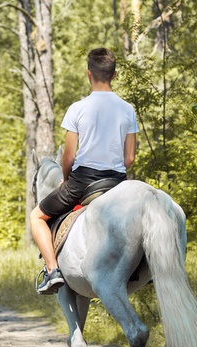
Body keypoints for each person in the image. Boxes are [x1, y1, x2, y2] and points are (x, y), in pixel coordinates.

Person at [30, 47, 139, 294]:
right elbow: (130, 158)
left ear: (89, 74)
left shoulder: (77, 108)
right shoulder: (127, 109)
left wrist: (65, 182)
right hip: (117, 183)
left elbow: (67, 157)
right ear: (114, 74)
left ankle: (52, 271)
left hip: (83, 181)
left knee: (36, 217)